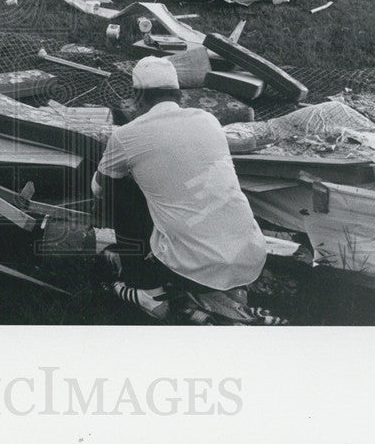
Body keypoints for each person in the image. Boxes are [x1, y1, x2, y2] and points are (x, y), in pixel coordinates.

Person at [93, 56, 280, 325]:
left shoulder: (125, 135)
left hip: (192, 270)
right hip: (251, 260)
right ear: (178, 94)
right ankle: (224, 285)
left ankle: (148, 289)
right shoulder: (208, 120)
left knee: (118, 188)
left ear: (137, 96)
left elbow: (99, 188)